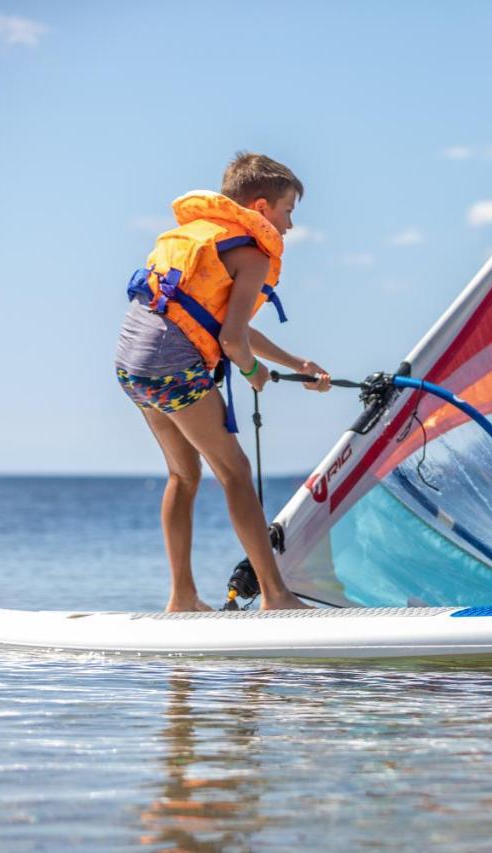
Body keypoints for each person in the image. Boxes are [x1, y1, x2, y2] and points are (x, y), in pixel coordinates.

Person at [115, 152, 331, 611]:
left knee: (183, 473)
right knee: (235, 473)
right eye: (287, 212)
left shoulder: (203, 239)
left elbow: (218, 324)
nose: (290, 226)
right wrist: (254, 372)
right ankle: (276, 596)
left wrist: (296, 362)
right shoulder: (251, 255)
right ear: (260, 207)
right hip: (173, 369)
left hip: (131, 367)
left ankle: (182, 598)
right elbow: (233, 340)